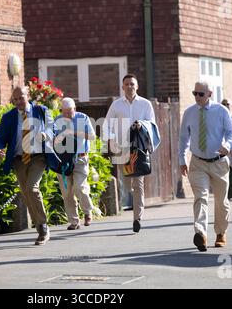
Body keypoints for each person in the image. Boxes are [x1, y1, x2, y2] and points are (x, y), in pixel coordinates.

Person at [179, 81, 232, 252]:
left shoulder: (221, 111)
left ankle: (220, 232)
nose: (197, 97)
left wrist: (228, 144)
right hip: (198, 162)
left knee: (221, 201)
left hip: (219, 161)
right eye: (194, 93)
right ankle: (201, 233)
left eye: (201, 94)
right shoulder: (189, 112)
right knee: (201, 198)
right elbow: (183, 138)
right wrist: (182, 160)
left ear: (210, 94)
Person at [0, 86, 54, 245]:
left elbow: (52, 129)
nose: (18, 102)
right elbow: (1, 139)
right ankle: (39, 225)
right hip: (18, 159)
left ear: (27, 96)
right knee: (25, 193)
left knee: (31, 188)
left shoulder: (41, 111)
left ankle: (42, 226)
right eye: (15, 99)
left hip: (38, 157)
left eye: (21, 98)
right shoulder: (8, 117)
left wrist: (45, 135)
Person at [103, 73, 157, 233]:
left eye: (132, 84)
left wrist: (142, 125)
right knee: (127, 183)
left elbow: (152, 124)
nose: (129, 87)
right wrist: (112, 140)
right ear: (122, 87)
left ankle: (137, 218)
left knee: (138, 183)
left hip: (138, 149)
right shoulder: (116, 105)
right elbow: (106, 125)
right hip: (121, 149)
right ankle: (131, 205)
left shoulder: (146, 104)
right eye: (126, 84)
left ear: (137, 86)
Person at [53, 97, 96, 230]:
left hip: (80, 159)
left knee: (79, 187)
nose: (67, 114)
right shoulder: (57, 121)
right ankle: (73, 221)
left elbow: (93, 136)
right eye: (64, 112)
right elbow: (54, 141)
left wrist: (73, 132)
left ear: (75, 109)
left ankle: (88, 212)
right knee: (67, 192)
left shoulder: (83, 118)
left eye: (69, 111)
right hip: (64, 160)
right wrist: (59, 137)